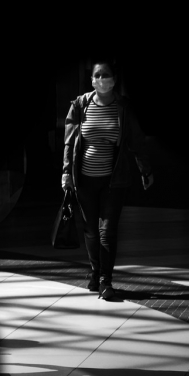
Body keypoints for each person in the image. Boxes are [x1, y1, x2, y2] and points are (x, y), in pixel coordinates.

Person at [62, 62, 154, 300]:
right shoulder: (80, 105)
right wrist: (66, 173)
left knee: (107, 231)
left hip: (114, 181)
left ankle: (105, 280)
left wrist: (145, 170)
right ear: (91, 79)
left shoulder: (123, 107)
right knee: (91, 231)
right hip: (84, 181)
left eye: (106, 75)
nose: (101, 79)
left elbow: (136, 141)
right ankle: (95, 271)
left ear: (114, 79)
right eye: (97, 75)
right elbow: (69, 142)